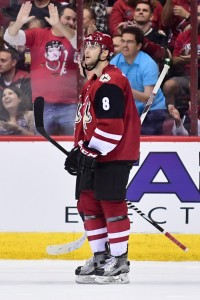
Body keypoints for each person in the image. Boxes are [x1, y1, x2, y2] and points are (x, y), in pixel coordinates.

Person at [64, 31, 140, 284]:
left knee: (111, 204)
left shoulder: (110, 82)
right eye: (87, 46)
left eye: (95, 46)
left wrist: (87, 152)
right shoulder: (91, 83)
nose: (87, 50)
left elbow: (111, 127)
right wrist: (81, 150)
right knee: (87, 204)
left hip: (113, 155)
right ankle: (100, 257)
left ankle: (119, 262)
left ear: (107, 53)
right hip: (95, 155)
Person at [4, 2, 77, 136]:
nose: (71, 22)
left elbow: (77, 42)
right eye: (67, 18)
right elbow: (9, 37)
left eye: (74, 20)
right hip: (42, 106)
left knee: (74, 147)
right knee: (42, 148)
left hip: (70, 105)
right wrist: (18, 22)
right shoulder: (38, 34)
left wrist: (59, 24)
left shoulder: (76, 37)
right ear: (56, 16)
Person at [110, 26, 168, 135]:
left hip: (153, 110)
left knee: (144, 135)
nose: (125, 45)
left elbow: (148, 99)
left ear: (139, 46)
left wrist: (126, 89)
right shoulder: (115, 61)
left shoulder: (148, 64)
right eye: (123, 41)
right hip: (130, 110)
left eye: (130, 42)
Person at [117, 1, 170, 69]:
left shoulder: (159, 35)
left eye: (145, 10)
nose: (141, 12)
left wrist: (138, 36)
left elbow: (163, 55)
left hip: (149, 71)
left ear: (151, 16)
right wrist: (120, 36)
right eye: (138, 10)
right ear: (134, 15)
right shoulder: (127, 34)